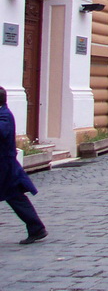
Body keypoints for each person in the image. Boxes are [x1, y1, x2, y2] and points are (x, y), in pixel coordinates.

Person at [0, 87, 48, 245]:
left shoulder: (4, 115)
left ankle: (36, 228)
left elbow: (2, 132)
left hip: (4, 167)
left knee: (16, 197)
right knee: (16, 198)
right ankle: (36, 228)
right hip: (5, 167)